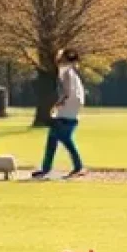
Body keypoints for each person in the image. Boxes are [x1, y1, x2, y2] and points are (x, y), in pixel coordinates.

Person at [33, 48, 86, 179]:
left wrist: (58, 104)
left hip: (66, 111)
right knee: (52, 139)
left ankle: (78, 166)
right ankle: (46, 168)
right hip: (70, 111)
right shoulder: (72, 72)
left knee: (65, 140)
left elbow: (67, 92)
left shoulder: (66, 72)